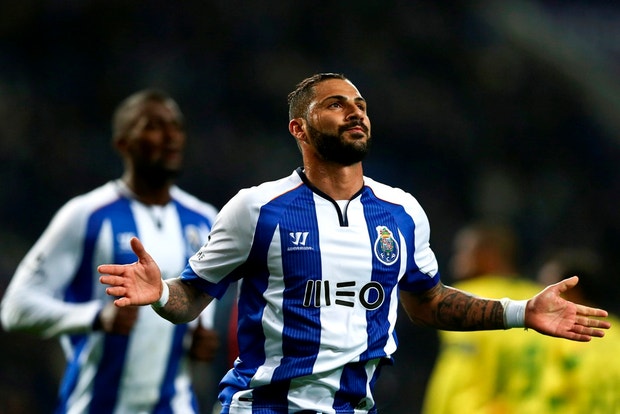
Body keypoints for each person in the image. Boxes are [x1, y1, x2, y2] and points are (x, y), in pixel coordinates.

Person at [97, 73, 610, 414]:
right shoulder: (256, 208)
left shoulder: (401, 212)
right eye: (336, 104)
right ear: (299, 128)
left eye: (360, 105)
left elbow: (428, 302)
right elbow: (191, 297)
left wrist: (522, 312)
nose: (355, 112)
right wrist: (161, 292)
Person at [1, 89, 221, 413]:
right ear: (123, 143)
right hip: (95, 405)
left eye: (176, 126)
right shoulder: (86, 215)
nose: (170, 137)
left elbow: (203, 309)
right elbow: (15, 308)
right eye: (153, 126)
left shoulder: (205, 219)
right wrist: (95, 317)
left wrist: (203, 341)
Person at [421, 221, 561, 414]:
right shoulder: (541, 299)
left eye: (464, 252)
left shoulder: (465, 298)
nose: (455, 261)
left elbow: (458, 380)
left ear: (489, 255)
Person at [535, 247, 620, 413]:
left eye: (547, 291)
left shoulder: (561, 341)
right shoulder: (616, 332)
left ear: (572, 291)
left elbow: (550, 394)